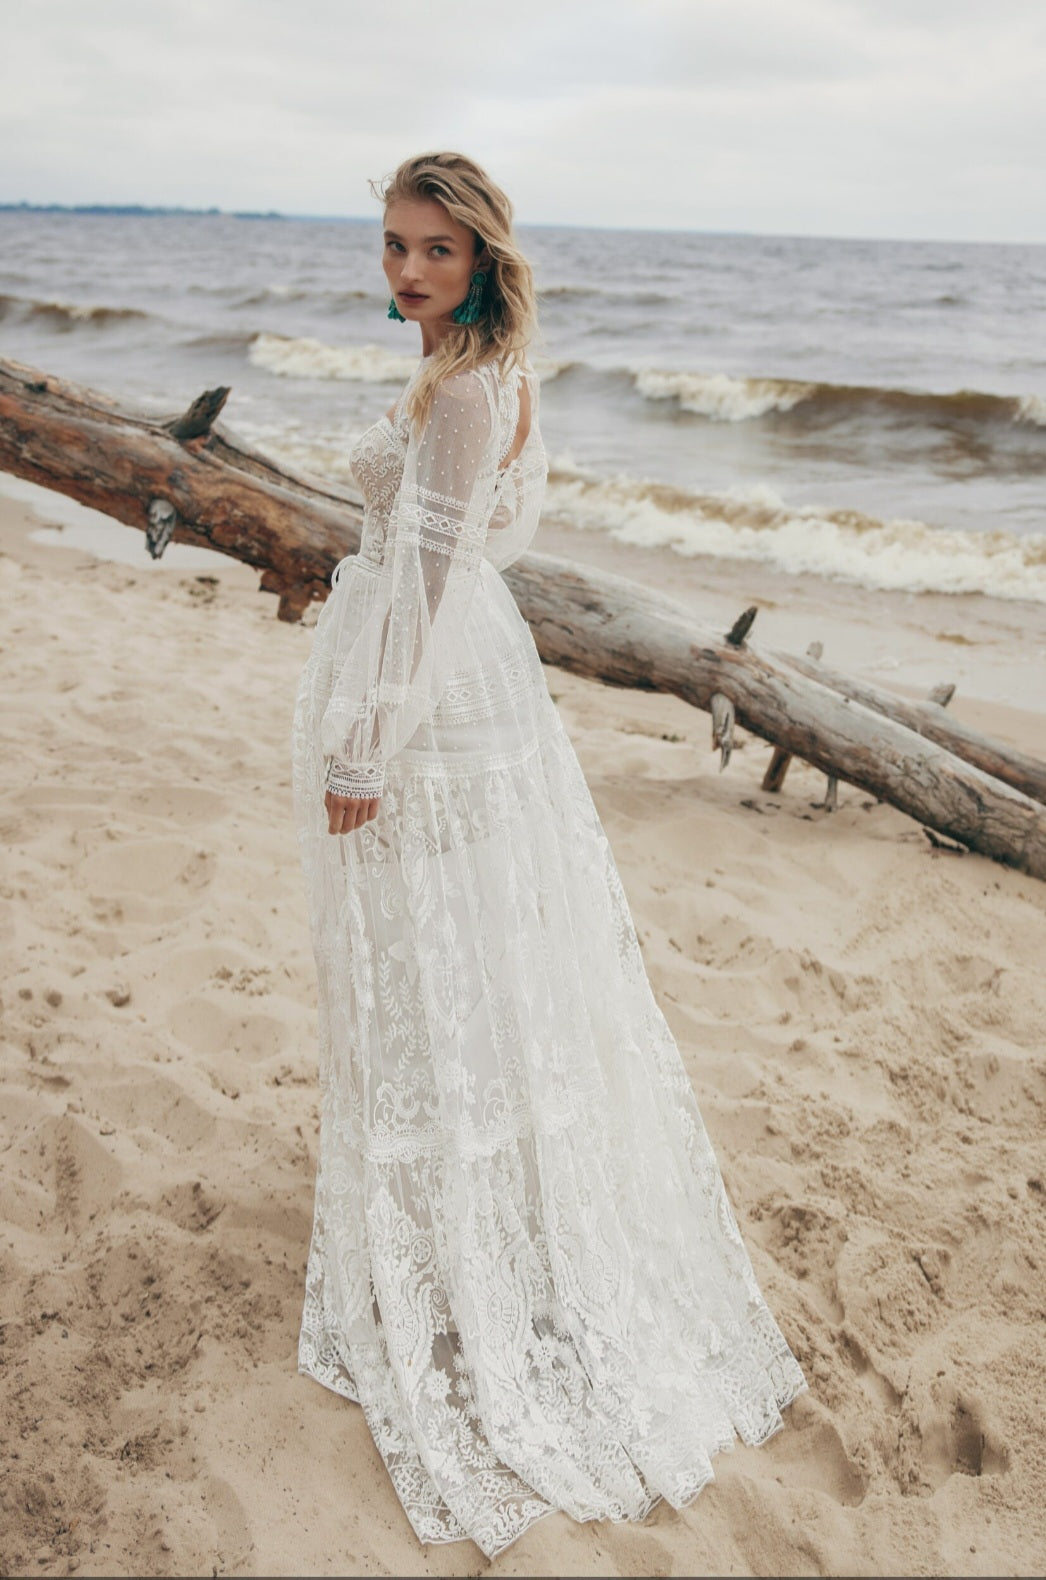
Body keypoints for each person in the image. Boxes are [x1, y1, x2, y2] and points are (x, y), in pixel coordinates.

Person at [291, 151, 806, 1559]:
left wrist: (363, 746)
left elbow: (437, 573)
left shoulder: (464, 390)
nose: (404, 270)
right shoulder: (483, 368)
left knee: (437, 963)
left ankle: (472, 1259)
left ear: (482, 260)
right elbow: (456, 551)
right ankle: (478, 1233)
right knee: (466, 965)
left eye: (433, 252)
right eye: (393, 244)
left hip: (433, 704)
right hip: (470, 685)